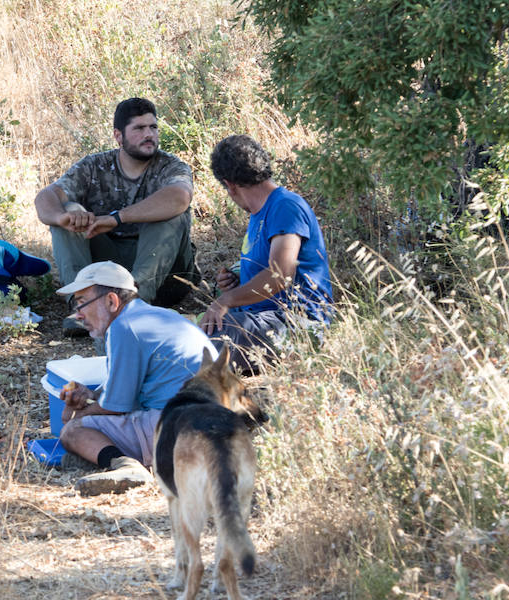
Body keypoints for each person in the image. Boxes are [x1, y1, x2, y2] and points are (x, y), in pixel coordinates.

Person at [34, 97, 200, 336]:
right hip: (110, 268)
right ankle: (82, 308)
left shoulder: (171, 166)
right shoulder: (95, 166)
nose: (149, 134)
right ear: (118, 136)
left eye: (153, 127)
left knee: (171, 214)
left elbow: (179, 198)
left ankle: (135, 305)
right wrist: (63, 218)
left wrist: (117, 218)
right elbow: (46, 197)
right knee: (70, 212)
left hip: (165, 274)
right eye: (139, 128)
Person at [55, 261, 217, 496]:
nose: (78, 315)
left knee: (73, 432)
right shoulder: (155, 316)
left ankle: (124, 466)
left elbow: (116, 407)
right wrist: (91, 396)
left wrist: (74, 416)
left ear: (112, 301)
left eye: (82, 303)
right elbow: (127, 389)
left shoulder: (124, 328)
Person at [199, 134, 333, 373]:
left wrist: (227, 299)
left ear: (229, 185)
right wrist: (236, 281)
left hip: (296, 325)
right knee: (186, 326)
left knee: (200, 340)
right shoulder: (259, 212)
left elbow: (280, 275)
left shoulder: (285, 207)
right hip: (260, 318)